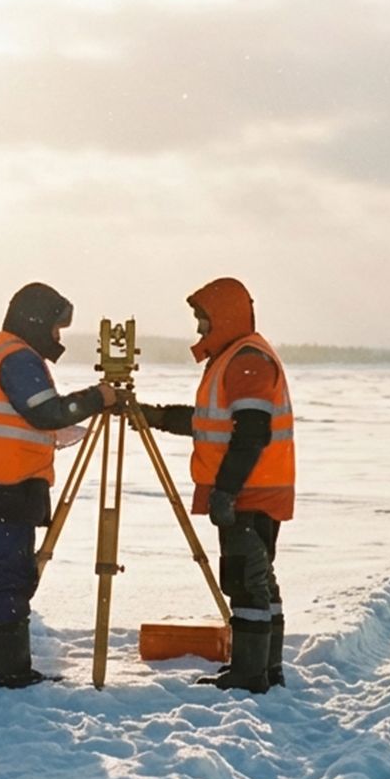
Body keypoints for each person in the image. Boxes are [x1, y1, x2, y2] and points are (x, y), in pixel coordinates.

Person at [0, 282, 119, 688]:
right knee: (10, 579)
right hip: (7, 487)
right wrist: (99, 397)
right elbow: (46, 413)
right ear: (37, 321)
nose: (58, 337)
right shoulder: (18, 358)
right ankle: (12, 671)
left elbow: (13, 420)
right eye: (56, 327)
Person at [140, 277, 294, 693]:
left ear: (224, 317)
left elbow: (251, 433)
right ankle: (266, 667)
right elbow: (212, 423)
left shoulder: (247, 360)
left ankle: (251, 674)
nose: (199, 330)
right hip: (256, 490)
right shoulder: (236, 358)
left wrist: (226, 490)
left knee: (245, 581)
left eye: (203, 320)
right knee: (259, 580)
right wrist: (156, 416)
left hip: (250, 492)